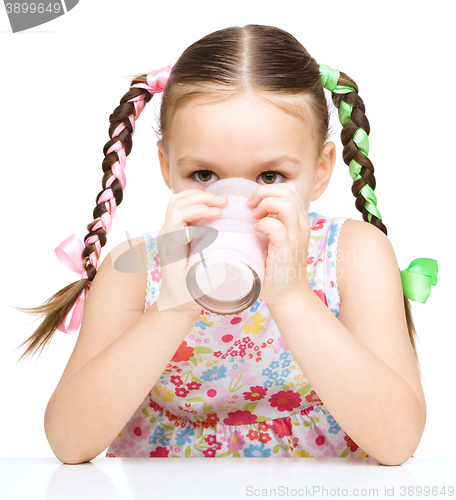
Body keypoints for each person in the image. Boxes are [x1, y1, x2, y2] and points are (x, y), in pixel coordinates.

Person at [13, 24, 438, 465]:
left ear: (321, 170)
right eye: (204, 175)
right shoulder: (135, 268)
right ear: (166, 167)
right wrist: (174, 305)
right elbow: (68, 441)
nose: (239, 201)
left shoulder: (353, 256)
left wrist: (293, 297)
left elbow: (398, 441)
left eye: (271, 177)